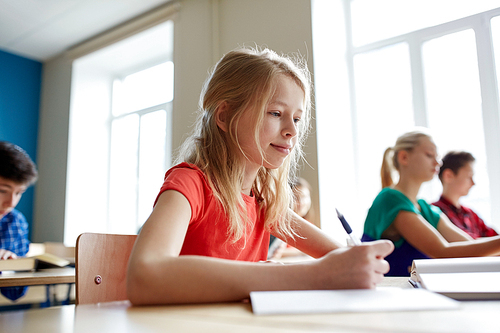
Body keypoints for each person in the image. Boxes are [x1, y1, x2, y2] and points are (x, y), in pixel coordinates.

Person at [127, 47, 394, 305]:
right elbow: (143, 276)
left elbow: (342, 257)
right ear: (225, 115)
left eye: (297, 119)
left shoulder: (264, 201)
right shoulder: (190, 184)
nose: (292, 130)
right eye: (276, 113)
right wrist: (292, 275)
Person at [362, 129, 500, 276]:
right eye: (429, 155)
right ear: (404, 157)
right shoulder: (390, 199)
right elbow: (442, 251)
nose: (437, 162)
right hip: (387, 291)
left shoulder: (425, 208)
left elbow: (469, 245)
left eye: (438, 157)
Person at [0, 141, 38, 300]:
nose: (11, 203)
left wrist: (9, 268)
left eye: (19, 193)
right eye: (2, 191)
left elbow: (14, 293)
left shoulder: (15, 222)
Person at [433, 151, 498, 239]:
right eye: (469, 177)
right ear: (448, 176)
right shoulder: (434, 213)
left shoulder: (470, 214)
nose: (473, 183)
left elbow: (493, 237)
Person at [268, 177, 314, 260]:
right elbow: (275, 252)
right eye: (296, 198)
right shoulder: (278, 224)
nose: (301, 202)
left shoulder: (309, 225)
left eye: (304, 197)